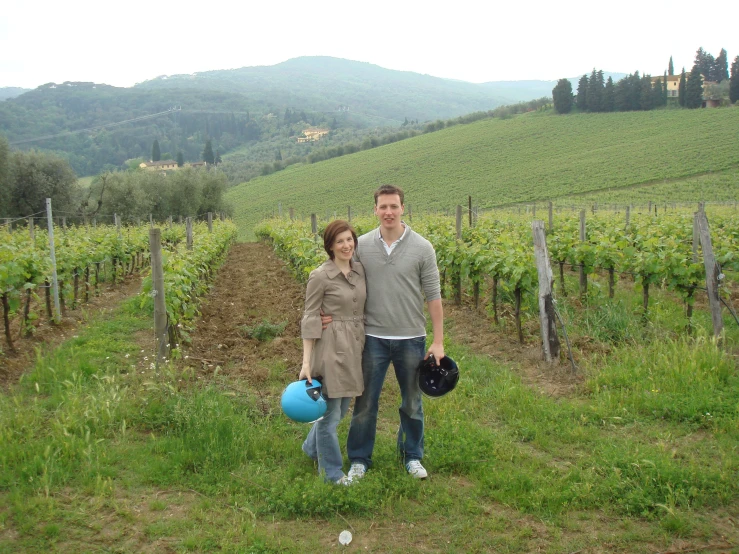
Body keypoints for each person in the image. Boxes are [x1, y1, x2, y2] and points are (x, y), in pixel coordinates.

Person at [329, 184, 445, 481]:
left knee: (412, 402)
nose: (389, 212)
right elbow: (344, 282)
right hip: (372, 339)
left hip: (411, 338)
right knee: (366, 401)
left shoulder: (423, 247)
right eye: (383, 207)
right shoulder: (362, 246)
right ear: (376, 210)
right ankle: (359, 459)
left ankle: (413, 456)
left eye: (394, 206)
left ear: (403, 208)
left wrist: (438, 341)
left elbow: (433, 296)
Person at [299, 220, 366, 485]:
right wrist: (306, 362)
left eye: (349, 240)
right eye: (340, 241)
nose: (346, 245)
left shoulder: (360, 271)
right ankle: (332, 474)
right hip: (330, 347)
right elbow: (310, 317)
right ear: (330, 246)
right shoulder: (320, 275)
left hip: (355, 345)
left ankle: (311, 448)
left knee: (341, 409)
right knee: (330, 414)